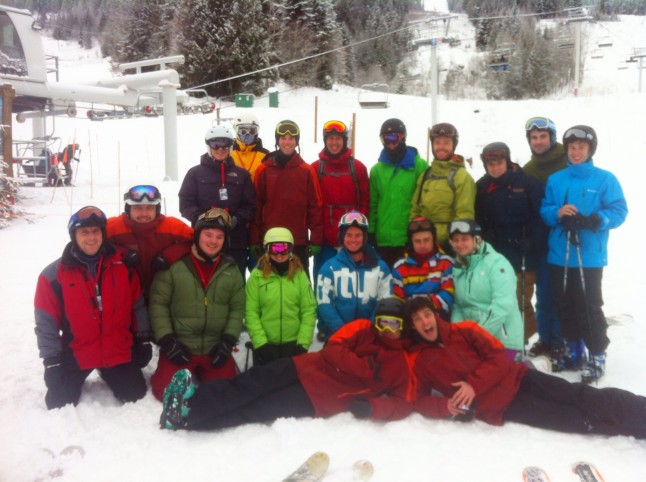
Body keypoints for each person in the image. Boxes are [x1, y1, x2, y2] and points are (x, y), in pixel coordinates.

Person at [406, 296, 646, 440]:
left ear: (436, 315)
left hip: (521, 378)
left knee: (583, 396)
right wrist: (444, 405)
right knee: (574, 420)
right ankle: (633, 428)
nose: (424, 322)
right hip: (503, 406)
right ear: (413, 327)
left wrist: (473, 385)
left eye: (427, 314)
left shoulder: (464, 330)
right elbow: (417, 399)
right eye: (417, 319)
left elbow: (499, 355)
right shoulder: (419, 360)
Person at [159, 298, 415, 431]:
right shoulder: (362, 328)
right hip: (305, 366)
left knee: (258, 408)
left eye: (394, 325)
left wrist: (373, 407)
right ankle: (190, 401)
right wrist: (364, 369)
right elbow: (333, 349)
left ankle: (188, 419)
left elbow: (403, 403)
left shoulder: (401, 364)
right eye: (382, 322)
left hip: (319, 397)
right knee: (249, 382)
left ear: (404, 327)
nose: (386, 330)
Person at [34, 206, 151, 409]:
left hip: (117, 351)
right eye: (84, 232)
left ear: (103, 234)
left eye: (96, 231)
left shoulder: (124, 267)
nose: (91, 237)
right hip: (77, 351)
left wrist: (143, 339)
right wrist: (51, 360)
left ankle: (107, 370)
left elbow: (138, 307)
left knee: (136, 396)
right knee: (58, 403)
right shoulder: (52, 276)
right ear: (74, 236)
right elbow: (46, 323)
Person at [540, 125, 627, 383]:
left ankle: (597, 353)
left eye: (581, 147)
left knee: (588, 305)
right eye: (572, 147)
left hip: (589, 256)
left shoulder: (605, 179)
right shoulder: (556, 179)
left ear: (590, 149)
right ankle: (573, 349)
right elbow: (545, 209)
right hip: (560, 253)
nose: (576, 152)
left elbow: (620, 210)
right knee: (564, 303)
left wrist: (596, 220)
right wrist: (558, 214)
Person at [148, 208, 245, 401]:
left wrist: (227, 342)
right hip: (180, 346)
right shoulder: (174, 265)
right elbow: (158, 304)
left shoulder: (231, 269)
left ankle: (206, 373)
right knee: (166, 393)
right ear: (198, 235)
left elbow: (237, 308)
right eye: (208, 235)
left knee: (226, 395)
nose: (213, 241)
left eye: (219, 237)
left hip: (215, 347)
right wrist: (168, 341)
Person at [475, 143, 546, 346]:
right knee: (498, 301)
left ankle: (523, 338)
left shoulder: (527, 183)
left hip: (523, 253)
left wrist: (533, 240)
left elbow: (540, 218)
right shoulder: (482, 187)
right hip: (496, 255)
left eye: (499, 162)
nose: (495, 167)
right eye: (490, 164)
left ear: (507, 161)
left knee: (520, 301)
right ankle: (502, 341)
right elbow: (478, 219)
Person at [178, 125, 256, 275]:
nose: (220, 149)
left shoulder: (242, 175)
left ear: (231, 147)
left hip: (235, 241)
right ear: (208, 146)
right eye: (215, 144)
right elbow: (186, 203)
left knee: (234, 281)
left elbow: (250, 206)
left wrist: (236, 219)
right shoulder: (195, 173)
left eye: (225, 145)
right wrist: (202, 219)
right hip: (205, 241)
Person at [251, 119, 323, 276]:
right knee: (269, 284)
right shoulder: (263, 170)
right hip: (270, 239)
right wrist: (254, 238)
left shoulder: (306, 171)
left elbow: (315, 207)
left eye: (291, 138)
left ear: (297, 141)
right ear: (277, 141)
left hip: (297, 241)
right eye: (283, 138)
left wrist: (316, 239)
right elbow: (256, 205)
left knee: (299, 284)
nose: (287, 142)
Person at [522, 117, 569, 358]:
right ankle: (546, 337)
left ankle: (561, 339)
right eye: (534, 137)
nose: (538, 142)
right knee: (544, 294)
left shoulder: (567, 161)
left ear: (552, 137)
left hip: (566, 238)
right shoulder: (529, 169)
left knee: (561, 294)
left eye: (543, 137)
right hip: (540, 240)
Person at [449, 219, 524, 359]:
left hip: (503, 340)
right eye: (456, 240)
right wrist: (458, 334)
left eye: (465, 239)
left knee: (495, 378)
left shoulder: (497, 264)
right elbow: (459, 305)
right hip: (476, 341)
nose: (459, 244)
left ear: (477, 239)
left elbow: (502, 305)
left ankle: (529, 368)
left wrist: (478, 334)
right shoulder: (459, 267)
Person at [107, 185, 194, 303]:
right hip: (126, 296)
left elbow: (195, 241)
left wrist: (169, 256)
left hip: (162, 295)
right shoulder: (113, 227)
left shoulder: (172, 226)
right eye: (137, 208)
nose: (144, 213)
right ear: (128, 209)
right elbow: (94, 243)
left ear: (157, 209)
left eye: (150, 208)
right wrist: (122, 253)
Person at [316, 211, 392, 341]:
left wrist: (369, 330)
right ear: (341, 237)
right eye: (349, 235)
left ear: (365, 238)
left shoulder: (380, 268)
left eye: (358, 235)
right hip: (339, 335)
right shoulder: (329, 268)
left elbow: (384, 302)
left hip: (370, 336)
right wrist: (344, 331)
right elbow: (324, 304)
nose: (353, 240)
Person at [246, 227, 317, 366]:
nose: (279, 254)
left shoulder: (299, 275)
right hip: (266, 344)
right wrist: (260, 344)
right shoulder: (257, 276)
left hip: (293, 344)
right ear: (267, 249)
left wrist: (302, 344)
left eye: (284, 249)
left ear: (291, 250)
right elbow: (251, 312)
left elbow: (308, 310)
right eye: (274, 249)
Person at [311, 120, 370, 286]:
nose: (334, 143)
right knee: (324, 283)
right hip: (325, 242)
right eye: (330, 139)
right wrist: (316, 236)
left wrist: (360, 232)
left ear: (344, 141)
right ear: (325, 141)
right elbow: (312, 205)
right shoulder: (316, 168)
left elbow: (365, 201)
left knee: (351, 285)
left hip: (352, 240)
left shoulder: (358, 168)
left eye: (338, 139)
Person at [368, 118, 427, 268]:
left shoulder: (419, 166)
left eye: (394, 137)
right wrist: (371, 232)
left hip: (409, 238)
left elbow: (424, 202)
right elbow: (373, 204)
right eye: (385, 138)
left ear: (403, 137)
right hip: (384, 240)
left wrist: (420, 230)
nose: (390, 142)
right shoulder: (377, 170)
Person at [410, 123, 476, 253]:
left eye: (446, 143)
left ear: (453, 145)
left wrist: (437, 238)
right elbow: (415, 209)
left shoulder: (462, 177)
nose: (441, 147)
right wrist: (415, 234)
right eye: (437, 143)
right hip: (424, 246)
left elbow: (464, 215)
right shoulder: (426, 175)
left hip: (449, 246)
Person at [392, 217, 454, 321]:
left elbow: (448, 295)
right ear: (411, 242)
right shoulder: (400, 267)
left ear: (434, 239)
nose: (422, 245)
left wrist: (424, 311)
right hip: (411, 319)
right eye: (417, 241)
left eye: (426, 240)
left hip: (438, 318)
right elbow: (398, 300)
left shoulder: (445, 262)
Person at [230, 112, 269, 183]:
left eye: (252, 131)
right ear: (236, 131)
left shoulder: (266, 155)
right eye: (243, 131)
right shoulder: (229, 154)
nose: (247, 134)